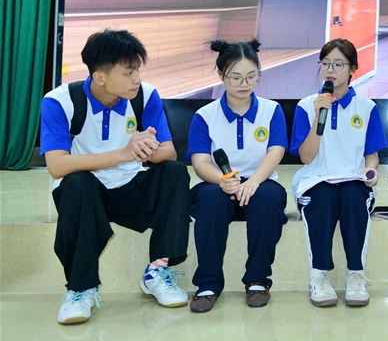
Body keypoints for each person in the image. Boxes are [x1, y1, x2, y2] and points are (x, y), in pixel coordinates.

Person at [40, 29, 191, 325]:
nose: (137, 79)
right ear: (100, 77)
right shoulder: (60, 101)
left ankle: (158, 272)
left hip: (129, 186)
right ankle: (81, 289)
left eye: (138, 70)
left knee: (174, 172)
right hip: (87, 194)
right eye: (128, 73)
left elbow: (169, 152)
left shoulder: (145, 95)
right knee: (76, 183)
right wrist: (124, 153)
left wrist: (147, 150)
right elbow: (56, 165)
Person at [186, 39, 288, 311]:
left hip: (260, 181)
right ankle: (207, 285)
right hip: (217, 183)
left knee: (267, 199)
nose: (245, 84)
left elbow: (275, 152)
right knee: (210, 201)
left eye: (252, 76)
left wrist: (253, 182)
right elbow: (200, 162)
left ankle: (257, 281)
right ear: (221, 75)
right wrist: (222, 180)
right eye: (236, 77)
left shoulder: (271, 110)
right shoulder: (205, 116)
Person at [289, 38, 388, 307]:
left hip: (353, 178)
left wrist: (370, 171)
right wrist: (318, 114)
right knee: (324, 198)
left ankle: (356, 275)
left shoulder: (366, 108)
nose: (330, 70)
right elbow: (306, 157)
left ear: (353, 68)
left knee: (353, 197)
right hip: (316, 179)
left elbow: (372, 155)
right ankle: (318, 276)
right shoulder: (306, 105)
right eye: (325, 63)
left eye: (338, 64)